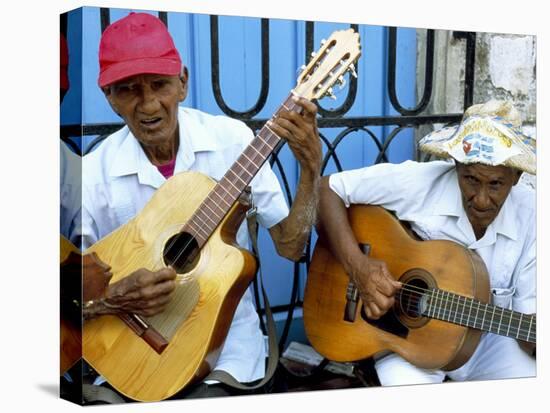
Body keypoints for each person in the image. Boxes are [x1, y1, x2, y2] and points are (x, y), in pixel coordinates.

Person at [69, 12, 321, 398]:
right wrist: (112, 295)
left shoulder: (234, 142)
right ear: (110, 99)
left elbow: (292, 247)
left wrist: (309, 170)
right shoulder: (92, 174)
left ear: (183, 83)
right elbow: (65, 295)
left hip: (226, 349)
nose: (149, 104)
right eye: (128, 89)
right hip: (130, 355)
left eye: (160, 85)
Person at [318, 99, 536, 385]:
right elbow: (327, 189)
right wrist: (359, 268)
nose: (481, 199)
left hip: (486, 343)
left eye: (495, 184)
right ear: (456, 164)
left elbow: (527, 327)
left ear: (516, 177)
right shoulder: (419, 182)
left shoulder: (533, 216)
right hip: (405, 342)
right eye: (470, 179)